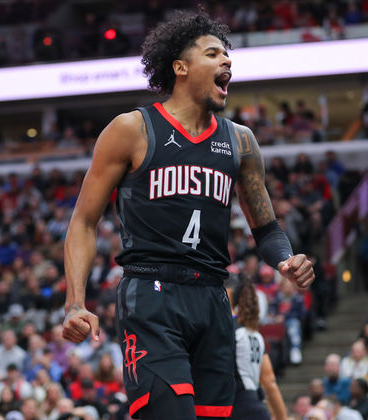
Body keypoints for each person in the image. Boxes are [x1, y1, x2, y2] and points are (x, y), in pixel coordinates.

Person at [61, 11, 314, 420]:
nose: (226, 61)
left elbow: (266, 228)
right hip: (151, 294)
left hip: (213, 298)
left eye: (227, 56)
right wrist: (75, 302)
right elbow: (83, 222)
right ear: (180, 67)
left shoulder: (240, 141)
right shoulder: (132, 129)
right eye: (213, 53)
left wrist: (285, 258)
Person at [227, 277, 287, 420]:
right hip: (257, 407)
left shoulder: (224, 330)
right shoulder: (255, 333)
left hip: (235, 407)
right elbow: (270, 381)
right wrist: (282, 417)